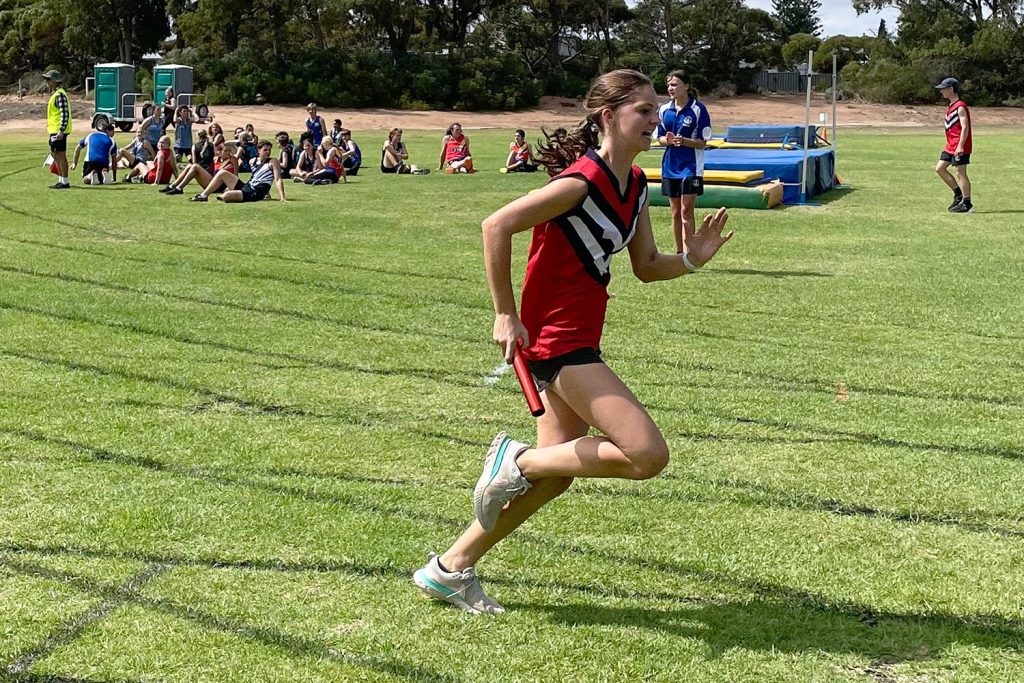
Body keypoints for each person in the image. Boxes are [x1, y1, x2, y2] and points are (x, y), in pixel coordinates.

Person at [412, 69, 734, 615]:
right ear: (609, 116)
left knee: (556, 477)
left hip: (580, 336)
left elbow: (646, 266)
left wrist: (691, 261)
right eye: (643, 111)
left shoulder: (636, 185)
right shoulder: (579, 182)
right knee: (646, 454)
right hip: (558, 341)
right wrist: (504, 314)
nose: (655, 121)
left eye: (656, 111)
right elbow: (496, 226)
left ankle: (450, 567)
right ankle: (517, 461)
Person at [655, 71, 712, 255]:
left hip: (691, 167)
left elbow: (703, 143)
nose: (670, 88)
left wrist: (685, 141)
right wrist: (667, 140)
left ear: (686, 86)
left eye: (674, 84)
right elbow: (659, 138)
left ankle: (690, 253)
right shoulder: (664, 110)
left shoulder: (698, 109)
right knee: (675, 212)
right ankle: (679, 253)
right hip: (670, 167)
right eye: (669, 85)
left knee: (686, 211)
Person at [191, 140, 286, 203]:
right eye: (265, 150)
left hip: (256, 192)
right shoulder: (252, 161)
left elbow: (277, 179)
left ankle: (227, 195)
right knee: (222, 172)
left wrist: (282, 197)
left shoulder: (273, 162)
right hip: (247, 187)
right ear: (259, 150)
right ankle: (203, 195)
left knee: (226, 196)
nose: (268, 152)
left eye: (269, 150)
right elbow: (257, 177)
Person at [934, 77, 974, 213]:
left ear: (951, 89)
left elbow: (965, 127)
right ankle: (958, 195)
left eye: (943, 89)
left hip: (959, 145)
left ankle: (967, 203)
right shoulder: (952, 106)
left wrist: (961, 145)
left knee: (960, 172)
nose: (941, 91)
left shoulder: (960, 106)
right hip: (950, 145)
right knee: (940, 168)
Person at [162, 144, 234, 195]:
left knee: (195, 166)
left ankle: (179, 188)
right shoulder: (216, 159)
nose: (228, 152)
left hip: (219, 186)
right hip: (211, 182)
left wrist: (230, 189)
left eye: (228, 150)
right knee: (190, 166)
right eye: (224, 150)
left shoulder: (232, 160)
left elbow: (235, 176)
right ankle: (173, 186)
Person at [43, 70, 72, 189]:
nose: (47, 82)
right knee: (55, 153)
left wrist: (61, 130)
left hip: (58, 130)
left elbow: (64, 113)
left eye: (49, 79)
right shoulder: (56, 94)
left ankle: (64, 181)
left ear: (55, 81)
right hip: (54, 130)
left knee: (60, 154)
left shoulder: (59, 94)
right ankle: (61, 180)